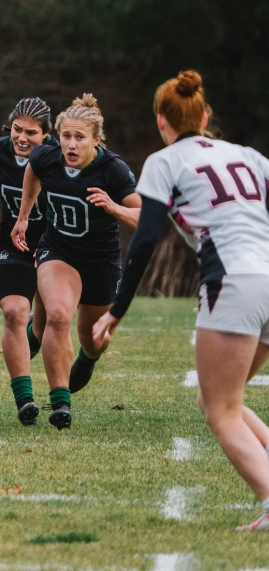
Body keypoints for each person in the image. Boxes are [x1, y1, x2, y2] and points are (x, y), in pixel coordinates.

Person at [91, 71, 269, 532]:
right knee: (222, 401)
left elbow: (146, 238)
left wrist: (116, 310)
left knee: (221, 409)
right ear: (205, 116)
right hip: (260, 279)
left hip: (235, 281)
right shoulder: (249, 156)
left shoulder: (165, 160)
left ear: (161, 121)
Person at [11, 94, 140, 430]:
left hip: (100, 261)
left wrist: (114, 207)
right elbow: (32, 175)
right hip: (58, 251)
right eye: (66, 136)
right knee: (56, 315)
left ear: (95, 140)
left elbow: (144, 217)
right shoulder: (45, 156)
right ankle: (60, 403)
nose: (71, 143)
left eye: (79, 137)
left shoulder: (113, 169)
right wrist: (24, 216)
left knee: (94, 338)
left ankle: (88, 359)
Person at [0, 98, 55, 426]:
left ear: (46, 134)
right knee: (13, 312)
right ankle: (25, 401)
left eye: (31, 132)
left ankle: (35, 337)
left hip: (53, 246)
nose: (22, 138)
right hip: (12, 242)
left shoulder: (59, 157)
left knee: (52, 318)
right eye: (18, 130)